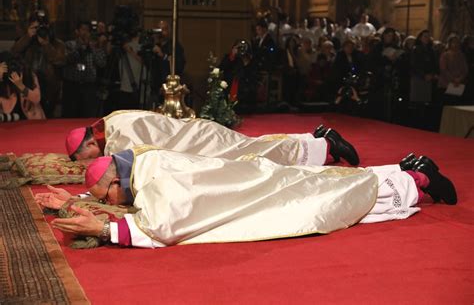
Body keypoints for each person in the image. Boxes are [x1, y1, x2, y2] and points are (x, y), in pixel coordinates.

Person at [41, 146, 456, 248]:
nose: (113, 201)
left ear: (119, 179)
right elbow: (116, 189)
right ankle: (402, 173)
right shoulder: (140, 165)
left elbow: (163, 225)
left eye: (109, 195)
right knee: (319, 183)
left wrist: (107, 229)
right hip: (249, 177)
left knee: (321, 201)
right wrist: (76, 199)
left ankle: (416, 179)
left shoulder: (156, 183)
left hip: (256, 190)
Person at [65, 110, 359, 167]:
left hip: (201, 143)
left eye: (85, 159)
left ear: (91, 143)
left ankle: (327, 145)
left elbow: (135, 165)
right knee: (254, 146)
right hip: (197, 134)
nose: (88, 164)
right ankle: (314, 137)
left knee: (255, 154)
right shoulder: (112, 120)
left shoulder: (117, 142)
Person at [11, 12, 66, 118]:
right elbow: (13, 53)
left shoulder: (57, 44)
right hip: (29, 86)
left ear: (48, 27)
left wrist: (46, 44)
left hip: (49, 89)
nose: (39, 30)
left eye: (42, 27)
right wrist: (27, 37)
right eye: (36, 27)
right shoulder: (25, 42)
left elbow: (60, 61)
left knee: (48, 120)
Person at [62, 21, 107, 118]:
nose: (85, 33)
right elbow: (67, 59)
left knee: (88, 116)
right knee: (70, 116)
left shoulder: (94, 47)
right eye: (83, 30)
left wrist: (92, 47)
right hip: (72, 86)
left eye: (87, 30)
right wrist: (80, 47)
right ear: (77, 31)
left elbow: (101, 63)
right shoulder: (69, 44)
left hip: (89, 87)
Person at [0, 52, 45, 121]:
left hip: (29, 122)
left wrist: (21, 86)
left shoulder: (29, 75)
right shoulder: (3, 81)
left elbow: (36, 98)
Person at [438, 34, 468, 106]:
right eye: (453, 42)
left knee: (456, 105)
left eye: (457, 42)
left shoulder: (461, 55)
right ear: (449, 43)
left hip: (458, 84)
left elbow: (465, 69)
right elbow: (444, 69)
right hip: (446, 84)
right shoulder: (445, 55)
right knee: (447, 106)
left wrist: (460, 79)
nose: (455, 44)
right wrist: (453, 79)